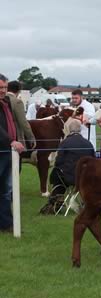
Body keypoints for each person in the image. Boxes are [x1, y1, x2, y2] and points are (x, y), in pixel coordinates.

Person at [39, 119, 95, 214]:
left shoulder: (65, 143)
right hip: (85, 178)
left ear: (69, 129)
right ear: (80, 130)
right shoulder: (88, 143)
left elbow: (59, 161)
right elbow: (93, 162)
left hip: (69, 178)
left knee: (56, 175)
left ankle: (56, 202)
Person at [0, 73, 25, 233]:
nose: (3, 90)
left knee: (6, 189)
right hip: (3, 149)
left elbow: (13, 123)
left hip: (9, 152)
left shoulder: (6, 103)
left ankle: (6, 223)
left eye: (4, 87)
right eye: (0, 87)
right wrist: (11, 141)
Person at [6, 81, 36, 151]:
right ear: (19, 90)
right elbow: (23, 122)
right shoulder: (17, 102)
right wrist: (31, 137)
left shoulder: (3, 99)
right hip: (15, 138)